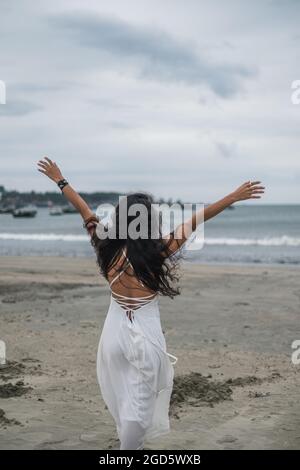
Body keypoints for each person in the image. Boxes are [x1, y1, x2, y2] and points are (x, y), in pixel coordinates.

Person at [37, 157, 264, 449]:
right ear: (149, 221)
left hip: (112, 338)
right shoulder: (158, 252)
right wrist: (234, 197)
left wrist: (60, 179)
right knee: (140, 407)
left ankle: (128, 443)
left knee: (121, 396)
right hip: (145, 337)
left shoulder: (105, 247)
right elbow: (197, 219)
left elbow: (83, 209)